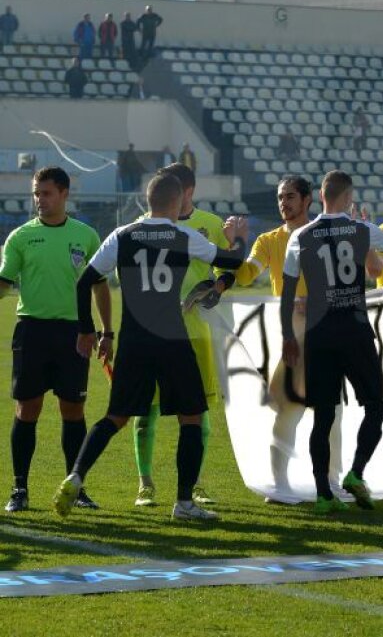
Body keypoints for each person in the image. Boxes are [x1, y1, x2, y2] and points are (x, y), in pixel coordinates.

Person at [53, 173, 248, 520]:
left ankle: (76, 475)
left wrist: (88, 329)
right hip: (172, 338)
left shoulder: (122, 235)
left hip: (134, 340)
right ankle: (185, 503)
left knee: (115, 417)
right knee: (191, 417)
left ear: (147, 201)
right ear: (176, 203)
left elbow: (85, 282)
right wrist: (237, 240)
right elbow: (233, 263)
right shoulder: (183, 234)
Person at [280, 170, 383, 513]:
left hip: (320, 334)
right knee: (376, 406)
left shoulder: (300, 235)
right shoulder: (361, 229)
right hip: (355, 331)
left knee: (323, 416)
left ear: (321, 196)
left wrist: (287, 336)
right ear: (348, 197)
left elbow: (287, 293)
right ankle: (355, 472)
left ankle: (323, 495)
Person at [1, 168, 111, 512]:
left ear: (64, 194)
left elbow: (100, 286)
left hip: (75, 334)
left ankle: (74, 487)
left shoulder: (87, 235)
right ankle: (20, 489)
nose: (39, 200)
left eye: (46, 193)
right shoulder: (20, 237)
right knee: (27, 409)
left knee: (73, 409)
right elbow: (3, 283)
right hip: (31, 330)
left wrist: (107, 331)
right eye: (36, 193)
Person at [232, 176, 341, 500]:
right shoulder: (268, 241)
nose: (284, 203)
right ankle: (280, 484)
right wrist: (235, 244)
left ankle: (331, 482)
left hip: (325, 333)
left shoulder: (325, 235)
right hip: (291, 337)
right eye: (281, 198)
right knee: (287, 412)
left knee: (330, 413)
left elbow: (346, 283)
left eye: (290, 197)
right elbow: (246, 275)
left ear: (308, 200)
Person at [129, 163, 228, 508]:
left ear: (188, 192)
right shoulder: (143, 229)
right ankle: (145, 484)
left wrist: (210, 290)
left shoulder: (212, 226)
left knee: (197, 413)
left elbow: (227, 273)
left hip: (196, 334)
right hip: (154, 333)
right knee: (146, 410)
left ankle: (195, 482)